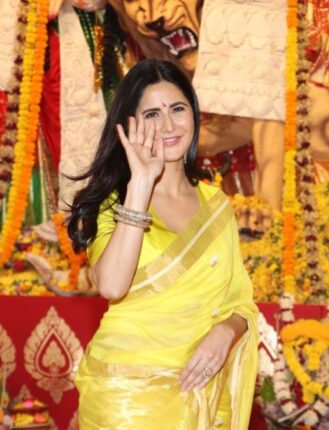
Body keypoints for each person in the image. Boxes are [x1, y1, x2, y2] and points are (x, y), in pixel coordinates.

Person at [67, 59, 259, 428]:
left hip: (200, 389)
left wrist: (227, 330)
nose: (168, 126)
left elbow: (240, 299)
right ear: (130, 126)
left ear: (194, 114)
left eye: (177, 109)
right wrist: (140, 184)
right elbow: (112, 286)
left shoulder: (216, 206)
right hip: (127, 397)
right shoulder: (110, 203)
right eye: (152, 114)